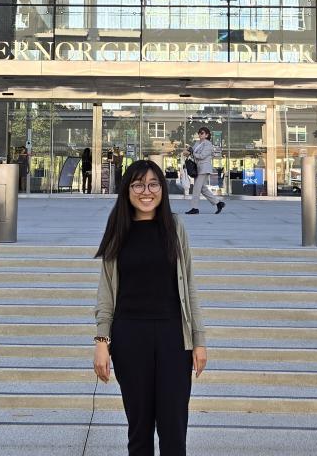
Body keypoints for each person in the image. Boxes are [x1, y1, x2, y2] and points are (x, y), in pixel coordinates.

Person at [94, 160, 207, 456]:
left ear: (162, 189)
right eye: (138, 185)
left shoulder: (175, 227)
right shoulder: (118, 228)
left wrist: (199, 340)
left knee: (173, 432)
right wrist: (102, 342)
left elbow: (189, 286)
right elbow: (106, 292)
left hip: (173, 338)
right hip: (130, 337)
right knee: (139, 431)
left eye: (154, 184)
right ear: (127, 190)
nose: (147, 191)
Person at [183, 127, 225, 214]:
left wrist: (192, 152)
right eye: (199, 133)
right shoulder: (197, 143)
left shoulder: (208, 144)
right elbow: (192, 152)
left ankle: (195, 208)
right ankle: (218, 203)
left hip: (204, 168)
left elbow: (201, 156)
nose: (200, 134)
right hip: (197, 168)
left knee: (196, 188)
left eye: (202, 133)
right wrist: (188, 152)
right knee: (202, 188)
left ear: (207, 135)